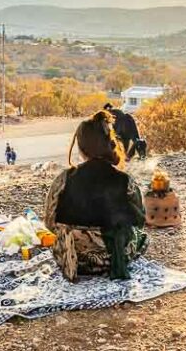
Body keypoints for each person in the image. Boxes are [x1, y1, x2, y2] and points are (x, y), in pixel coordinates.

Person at [43, 110, 148, 281]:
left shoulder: (63, 179)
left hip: (73, 259)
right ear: (109, 143)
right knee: (142, 238)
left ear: (82, 148)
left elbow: (49, 223)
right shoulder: (125, 180)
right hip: (113, 258)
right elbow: (140, 220)